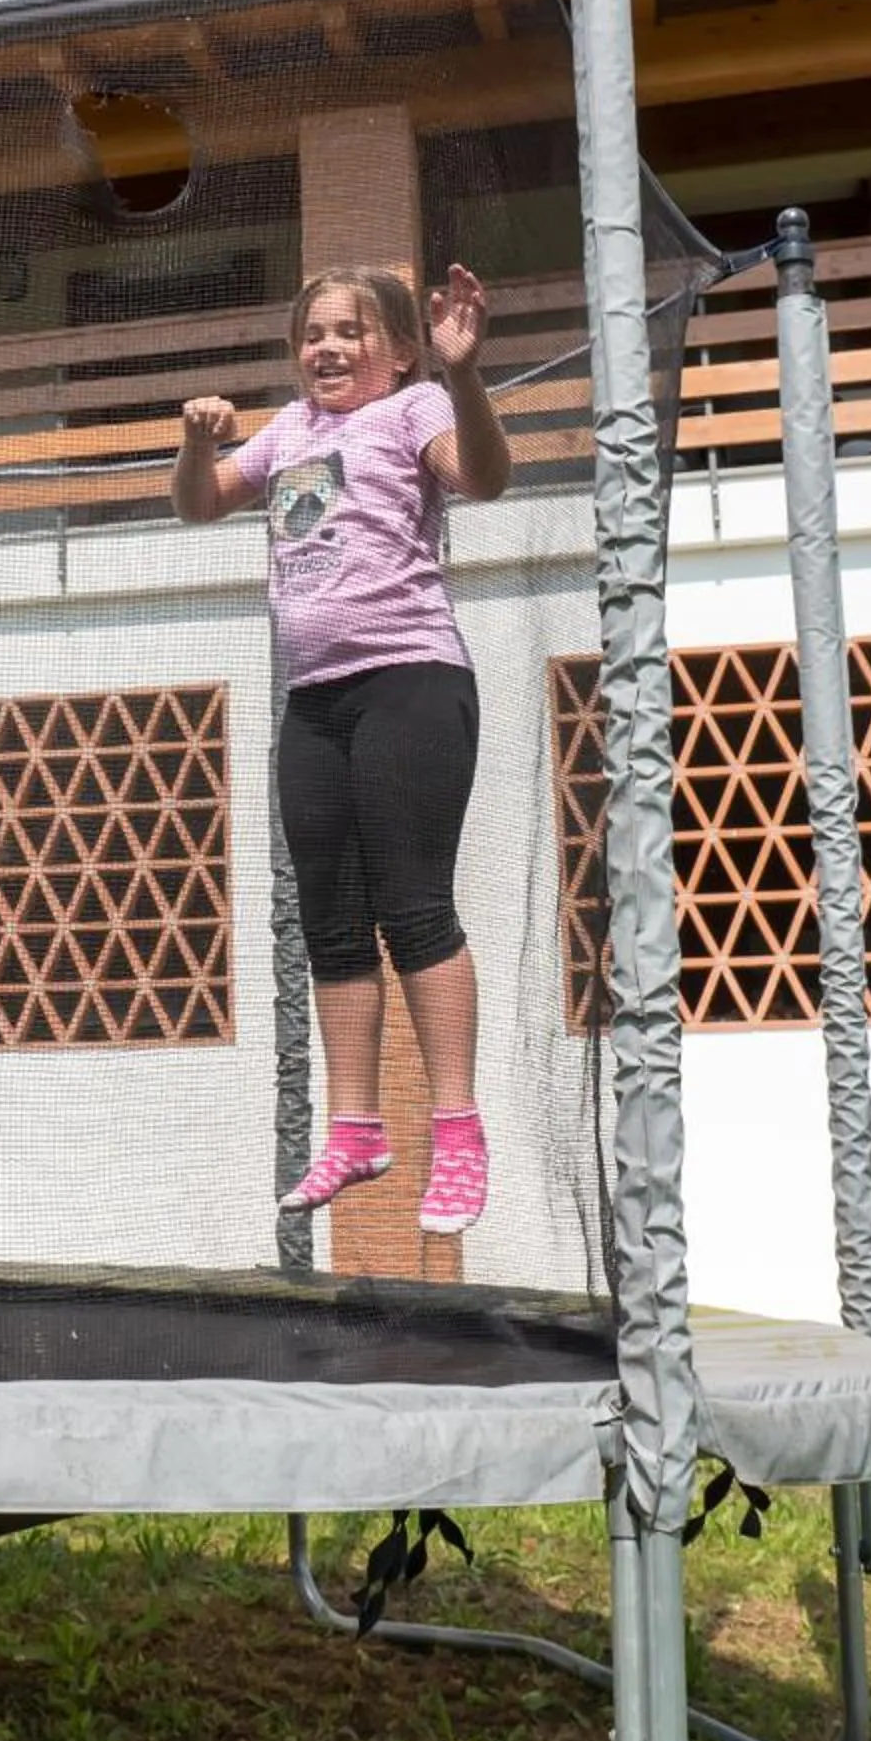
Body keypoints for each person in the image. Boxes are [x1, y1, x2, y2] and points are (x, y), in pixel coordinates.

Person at [172, 263, 507, 1236]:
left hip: (410, 681)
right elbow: (198, 505)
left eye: (350, 332)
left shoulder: (416, 410)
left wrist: (467, 373)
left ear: (398, 350)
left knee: (414, 906)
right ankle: (356, 1127)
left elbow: (483, 476)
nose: (325, 347)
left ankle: (457, 1129)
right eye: (312, 332)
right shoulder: (288, 431)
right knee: (330, 919)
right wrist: (198, 448)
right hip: (313, 702)